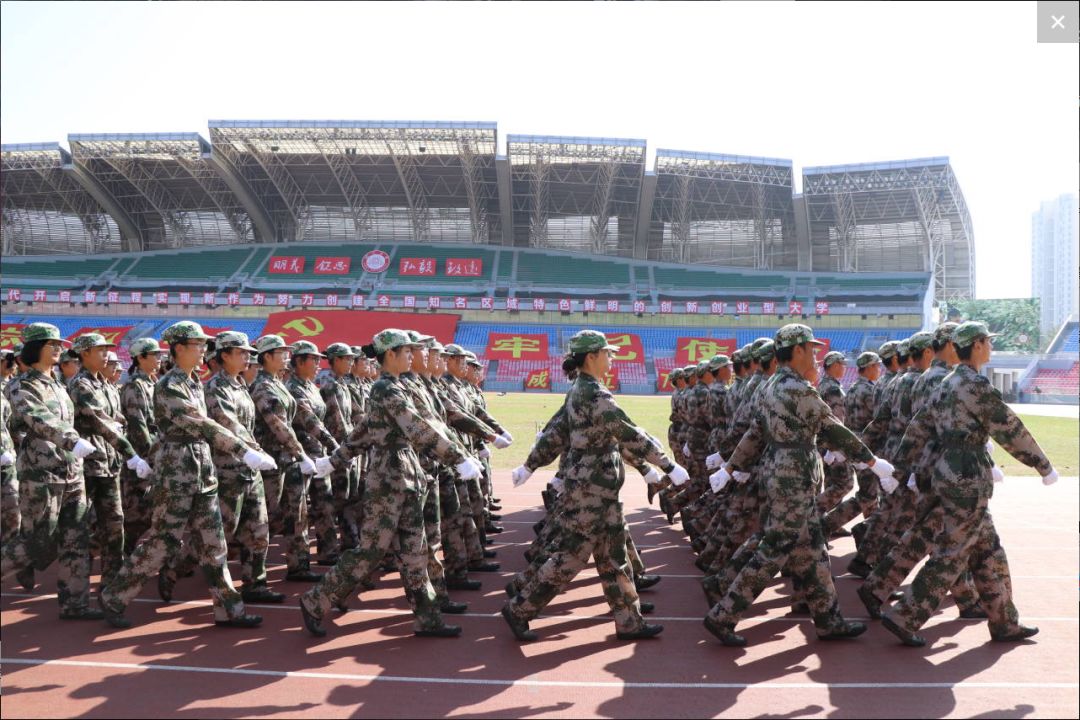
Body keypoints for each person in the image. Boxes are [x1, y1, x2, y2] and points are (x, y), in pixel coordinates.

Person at [703, 324, 895, 647]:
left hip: (781, 474)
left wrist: (732, 466)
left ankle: (829, 619)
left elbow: (755, 433)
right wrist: (872, 461)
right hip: (792, 477)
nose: (816, 355)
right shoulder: (798, 389)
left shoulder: (772, 387)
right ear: (796, 352)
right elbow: (832, 428)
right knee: (774, 549)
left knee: (814, 548)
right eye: (811, 349)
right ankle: (723, 614)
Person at [880, 321, 1059, 647]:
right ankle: (906, 614)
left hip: (948, 470)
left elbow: (919, 427)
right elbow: (1010, 429)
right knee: (954, 552)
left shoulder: (946, 383)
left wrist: (901, 466)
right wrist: (1043, 465)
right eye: (987, 342)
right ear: (975, 346)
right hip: (967, 475)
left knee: (989, 551)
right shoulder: (974, 386)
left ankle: (1005, 621)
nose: (990, 347)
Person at [503, 330, 688, 642]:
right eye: (607, 353)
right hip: (592, 489)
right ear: (591, 357)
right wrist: (666, 464)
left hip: (598, 488)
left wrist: (531, 464)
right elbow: (627, 431)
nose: (611, 358)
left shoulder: (581, 390)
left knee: (614, 556)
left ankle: (629, 620)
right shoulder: (594, 394)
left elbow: (556, 432)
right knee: (572, 555)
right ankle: (521, 607)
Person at [300, 329, 483, 638]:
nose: (412, 356)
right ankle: (316, 601)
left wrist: (334, 459)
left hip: (407, 475)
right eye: (406, 352)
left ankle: (427, 618)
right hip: (388, 480)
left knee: (416, 550)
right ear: (390, 356)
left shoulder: (395, 387)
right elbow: (417, 427)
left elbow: (362, 432)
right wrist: (456, 458)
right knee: (371, 550)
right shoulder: (386, 389)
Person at [99, 321, 268, 629]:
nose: (204, 350)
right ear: (178, 348)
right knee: (163, 541)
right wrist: (241, 449)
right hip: (176, 474)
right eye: (197, 345)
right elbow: (200, 423)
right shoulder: (169, 386)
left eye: (204, 344)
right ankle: (114, 596)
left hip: (202, 470)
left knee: (214, 544)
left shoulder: (192, 383)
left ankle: (229, 609)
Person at [0, 323, 101, 620]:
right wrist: (72, 441)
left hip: (70, 471)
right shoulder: (22, 385)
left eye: (59, 344)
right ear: (34, 348)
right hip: (41, 473)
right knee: (35, 542)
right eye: (51, 344)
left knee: (76, 538)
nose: (58, 348)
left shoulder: (57, 383)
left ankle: (75, 603)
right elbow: (38, 418)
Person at [69, 333, 149, 588]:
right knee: (79, 531)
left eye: (107, 350)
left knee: (115, 527)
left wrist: (120, 428)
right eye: (100, 350)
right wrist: (131, 454)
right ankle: (75, 595)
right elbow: (102, 423)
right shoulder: (81, 385)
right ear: (84, 354)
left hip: (109, 465)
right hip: (88, 467)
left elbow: (117, 419)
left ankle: (112, 587)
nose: (106, 355)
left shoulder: (105, 384)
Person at [249, 335, 319, 581]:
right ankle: (253, 577)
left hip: (288, 458)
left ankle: (299, 566)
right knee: (265, 519)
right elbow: (278, 425)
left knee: (297, 514)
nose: (286, 357)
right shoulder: (262, 386)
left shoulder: (277, 382)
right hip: (272, 461)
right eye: (281, 353)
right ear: (266, 356)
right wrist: (301, 453)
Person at [120, 338, 163, 552]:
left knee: (148, 511)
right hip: (141, 458)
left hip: (153, 454)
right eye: (154, 354)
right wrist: (150, 457)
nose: (159, 358)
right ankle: (122, 554)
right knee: (136, 513)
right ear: (140, 358)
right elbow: (138, 425)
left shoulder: (152, 383)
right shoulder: (134, 386)